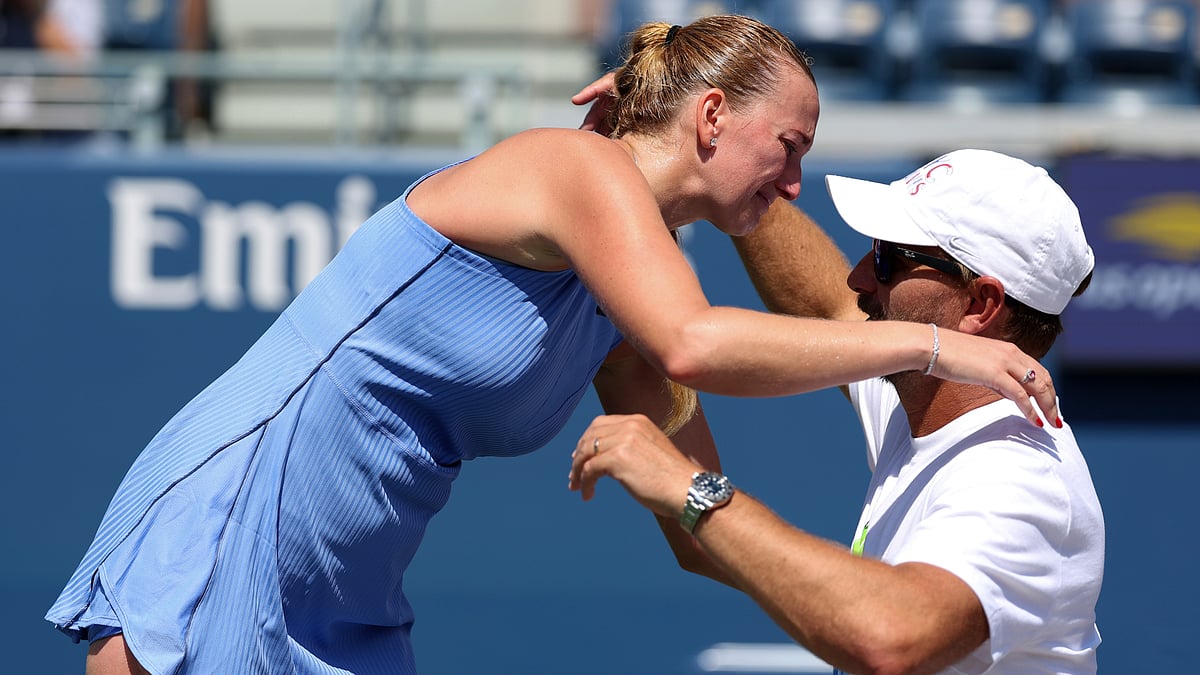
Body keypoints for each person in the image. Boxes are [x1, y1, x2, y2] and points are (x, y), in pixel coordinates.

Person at [48, 15, 1059, 675]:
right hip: (238, 523)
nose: (795, 185)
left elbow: (694, 518)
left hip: (347, 586)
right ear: (711, 116)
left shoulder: (626, 285)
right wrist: (931, 349)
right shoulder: (574, 169)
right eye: (790, 148)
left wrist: (839, 595)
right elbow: (698, 344)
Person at [568, 149, 1104, 674]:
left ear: (980, 305)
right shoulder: (927, 401)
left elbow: (887, 639)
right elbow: (824, 302)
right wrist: (718, 162)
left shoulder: (1018, 478)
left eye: (889, 260)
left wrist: (690, 488)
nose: (860, 278)